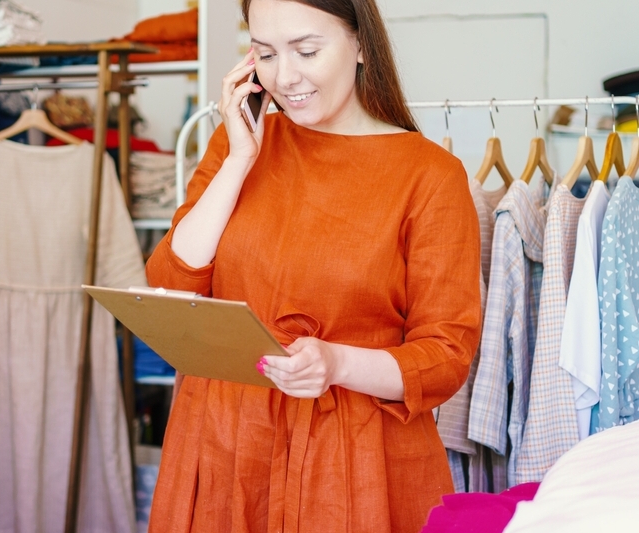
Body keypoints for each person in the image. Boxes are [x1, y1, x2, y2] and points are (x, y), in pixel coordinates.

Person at [145, 0, 482, 531]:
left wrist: (336, 363)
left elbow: (446, 357)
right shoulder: (239, 148)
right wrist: (238, 161)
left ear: (361, 45)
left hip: (352, 457)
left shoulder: (430, 175)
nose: (285, 76)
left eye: (306, 50)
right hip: (224, 441)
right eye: (265, 54)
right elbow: (170, 282)